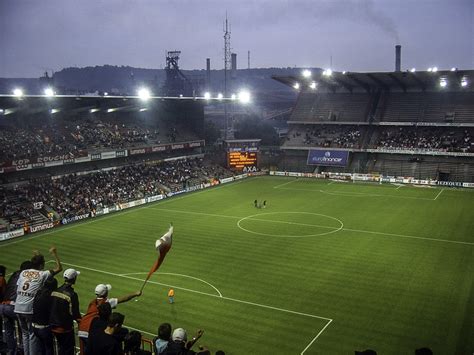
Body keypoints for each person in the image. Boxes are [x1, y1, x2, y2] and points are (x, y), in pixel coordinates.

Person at [14, 247, 62, 355]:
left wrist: (37, 255)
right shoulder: (42, 274)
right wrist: (54, 254)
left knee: (25, 334)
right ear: (41, 265)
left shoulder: (23, 273)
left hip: (17, 307)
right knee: (32, 335)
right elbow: (59, 268)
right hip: (29, 309)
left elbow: (20, 285)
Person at [79, 284, 141, 354]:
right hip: (90, 331)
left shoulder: (93, 302)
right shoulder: (107, 303)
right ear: (106, 293)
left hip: (82, 328)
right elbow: (123, 299)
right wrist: (135, 293)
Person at [0, 260, 31, 355]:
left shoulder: (14, 274)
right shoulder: (25, 278)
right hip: (13, 307)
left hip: (3, 306)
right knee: (24, 329)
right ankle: (23, 350)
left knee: (9, 331)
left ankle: (11, 351)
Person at [49, 268, 81, 355]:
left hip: (53, 326)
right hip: (64, 328)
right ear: (74, 279)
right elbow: (75, 314)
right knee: (68, 351)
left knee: (59, 348)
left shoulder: (55, 291)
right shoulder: (72, 295)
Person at [31, 276, 57, 355]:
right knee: (48, 349)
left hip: (34, 327)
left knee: (41, 349)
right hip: (44, 328)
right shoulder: (51, 296)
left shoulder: (39, 292)